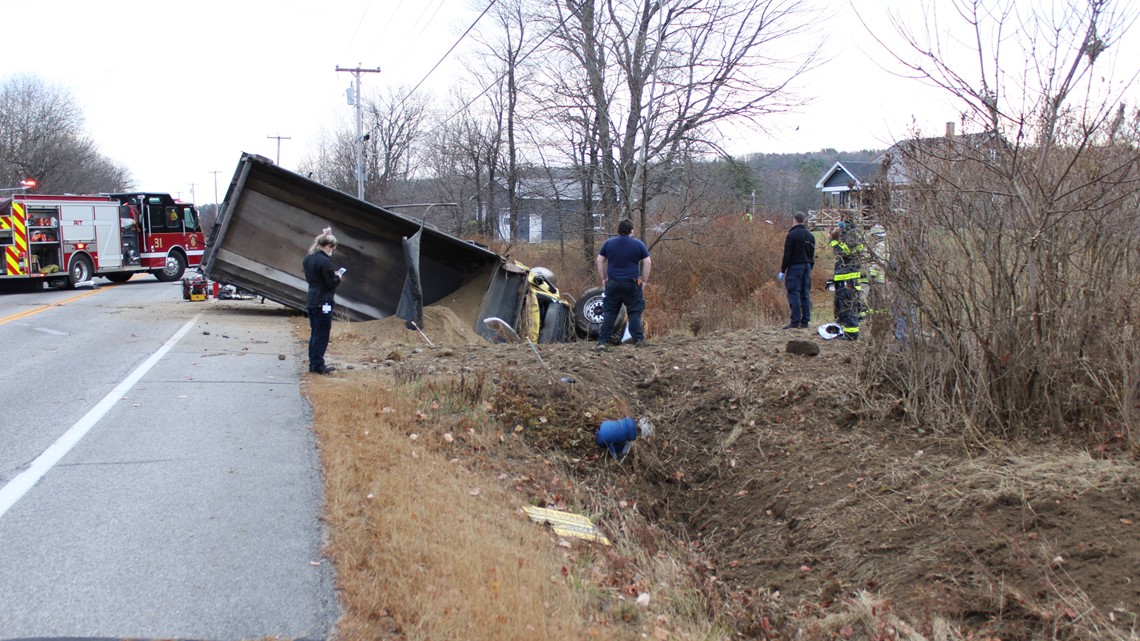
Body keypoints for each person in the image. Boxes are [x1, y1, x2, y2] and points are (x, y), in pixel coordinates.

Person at [595, 219, 651, 348]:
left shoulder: (608, 243)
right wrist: (644, 281)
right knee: (634, 311)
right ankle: (639, 340)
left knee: (610, 312)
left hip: (613, 283)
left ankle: (602, 342)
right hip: (631, 283)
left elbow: (599, 261)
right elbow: (648, 262)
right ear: (631, 230)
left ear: (619, 230)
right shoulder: (638, 244)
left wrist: (604, 278)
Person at [303, 228, 343, 374]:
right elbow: (330, 283)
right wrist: (337, 277)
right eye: (333, 247)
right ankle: (318, 365)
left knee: (315, 332)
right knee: (322, 334)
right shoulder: (325, 261)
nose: (333, 250)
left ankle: (314, 363)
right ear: (328, 246)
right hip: (324, 300)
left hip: (312, 298)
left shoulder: (308, 258)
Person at [828, 220, 866, 340]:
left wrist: (833, 240)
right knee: (842, 306)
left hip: (848, 277)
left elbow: (843, 251)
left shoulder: (852, 235)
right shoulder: (851, 234)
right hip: (845, 276)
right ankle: (845, 330)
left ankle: (851, 333)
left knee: (847, 305)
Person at [778, 212, 816, 329]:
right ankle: (805, 321)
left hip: (795, 267)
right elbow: (812, 254)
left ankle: (795, 321)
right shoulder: (810, 236)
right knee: (805, 293)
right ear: (803, 220)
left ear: (794, 220)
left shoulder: (792, 235)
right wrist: (810, 267)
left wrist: (783, 270)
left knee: (794, 293)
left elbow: (787, 254)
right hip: (807, 266)